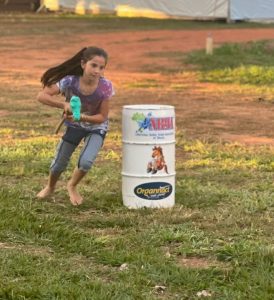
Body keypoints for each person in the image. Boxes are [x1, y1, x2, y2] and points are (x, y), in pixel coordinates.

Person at [36, 46, 114, 205]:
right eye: (93, 65)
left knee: (86, 161)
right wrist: (63, 104)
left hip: (96, 128)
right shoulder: (70, 82)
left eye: (101, 67)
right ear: (83, 64)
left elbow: (102, 117)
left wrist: (81, 117)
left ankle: (72, 186)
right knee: (59, 163)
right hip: (74, 127)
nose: (97, 70)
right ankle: (50, 187)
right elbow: (41, 96)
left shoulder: (105, 87)